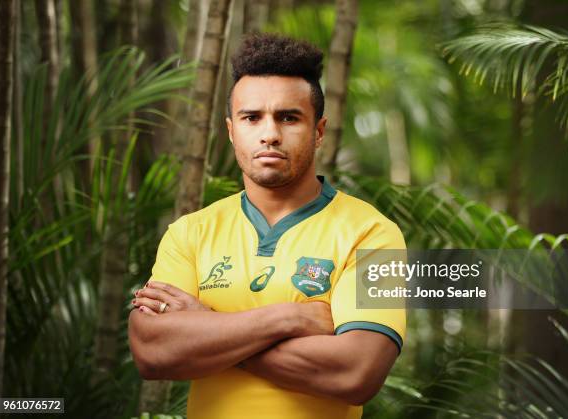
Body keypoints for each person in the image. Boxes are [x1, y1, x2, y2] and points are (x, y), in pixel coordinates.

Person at [128, 32, 406, 419]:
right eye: (251, 117)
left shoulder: (372, 234)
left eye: (289, 117)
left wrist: (207, 329)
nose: (270, 133)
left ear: (319, 131)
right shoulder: (189, 233)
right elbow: (154, 353)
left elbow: (356, 372)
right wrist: (287, 318)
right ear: (231, 130)